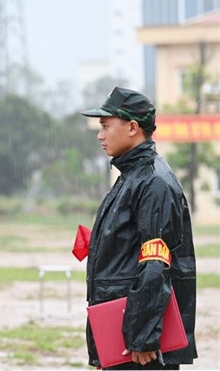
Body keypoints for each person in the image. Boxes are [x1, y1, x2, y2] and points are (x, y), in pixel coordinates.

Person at [80, 87, 197, 369]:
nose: (100, 135)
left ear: (132, 127)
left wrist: (142, 336)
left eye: (106, 126)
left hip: (140, 347)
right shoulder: (131, 176)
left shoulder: (153, 182)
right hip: (120, 332)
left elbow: (156, 263)